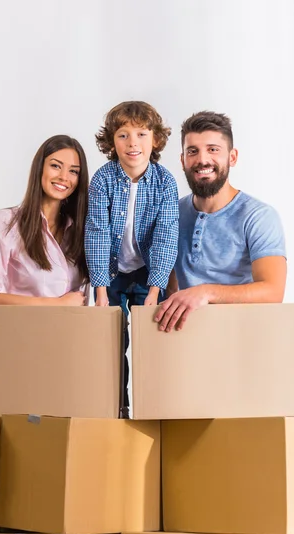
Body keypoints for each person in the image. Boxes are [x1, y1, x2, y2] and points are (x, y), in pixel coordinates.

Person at [85, 100, 179, 416]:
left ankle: (154, 406)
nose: (132, 143)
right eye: (123, 135)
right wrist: (100, 290)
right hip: (110, 271)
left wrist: (155, 290)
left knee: (151, 340)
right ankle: (116, 406)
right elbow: (96, 233)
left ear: (155, 140)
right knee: (111, 343)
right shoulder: (103, 179)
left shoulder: (165, 181)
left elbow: (166, 236)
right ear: (112, 141)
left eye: (141, 134)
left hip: (147, 272)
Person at [155, 110, 287, 332]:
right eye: (192, 151)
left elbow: (273, 291)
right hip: (184, 336)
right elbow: (167, 282)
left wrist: (205, 292)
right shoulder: (171, 213)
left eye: (213, 150)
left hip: (242, 337)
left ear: (232, 157)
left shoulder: (258, 216)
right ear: (182, 160)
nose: (202, 160)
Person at [0, 135, 89, 306]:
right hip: (24, 329)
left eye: (73, 171)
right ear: (40, 168)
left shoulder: (81, 228)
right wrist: (55, 304)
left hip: (73, 330)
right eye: (56, 166)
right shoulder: (7, 222)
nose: (64, 177)